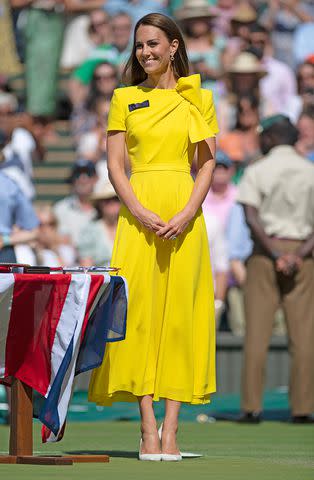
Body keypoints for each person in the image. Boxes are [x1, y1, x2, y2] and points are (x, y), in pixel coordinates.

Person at [88, 12, 218, 460]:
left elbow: (206, 164)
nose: (145, 52)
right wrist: (139, 211)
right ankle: (147, 430)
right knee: (138, 317)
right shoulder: (124, 96)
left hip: (186, 215)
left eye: (153, 44)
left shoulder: (199, 98)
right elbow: (114, 166)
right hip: (136, 216)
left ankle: (172, 431)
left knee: (180, 318)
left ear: (174, 46)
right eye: (140, 45)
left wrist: (186, 213)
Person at [237, 114, 314, 424]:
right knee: (305, 336)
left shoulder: (256, 170)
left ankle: (252, 407)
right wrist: (297, 255)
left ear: (269, 138)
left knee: (257, 333)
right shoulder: (310, 171)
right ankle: (303, 408)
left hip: (264, 255)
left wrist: (273, 252)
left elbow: (251, 217)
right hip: (303, 254)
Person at [53, 159, 98, 247]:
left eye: (88, 174)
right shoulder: (60, 209)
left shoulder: (107, 206)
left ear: (96, 178)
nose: (82, 179)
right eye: (78, 175)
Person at [78, 180, 120, 267]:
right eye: (107, 200)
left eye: (116, 199)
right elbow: (86, 267)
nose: (111, 203)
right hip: (101, 279)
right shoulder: (90, 231)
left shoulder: (130, 229)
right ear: (100, 204)